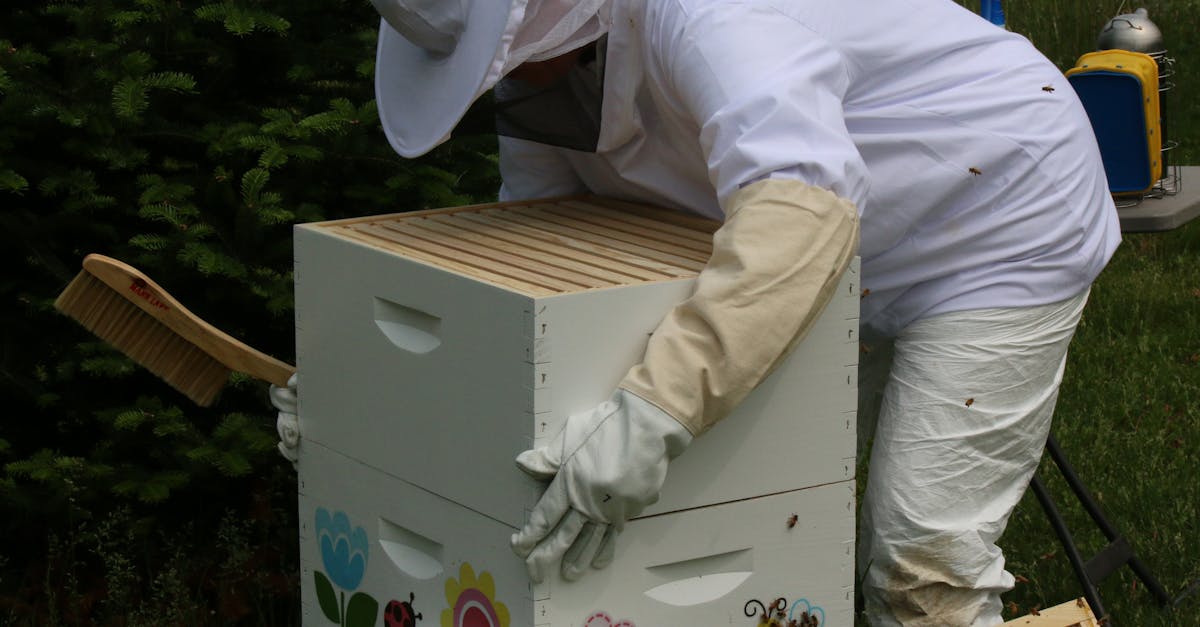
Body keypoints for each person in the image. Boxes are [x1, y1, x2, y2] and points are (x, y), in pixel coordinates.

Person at [274, 0, 1122, 624]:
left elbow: (803, 208)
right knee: (778, 498)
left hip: (996, 217)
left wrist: (658, 412)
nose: (495, 83)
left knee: (920, 563)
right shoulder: (547, 79)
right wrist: (374, 397)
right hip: (810, 253)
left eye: (498, 59)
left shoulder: (713, 17)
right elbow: (539, 263)